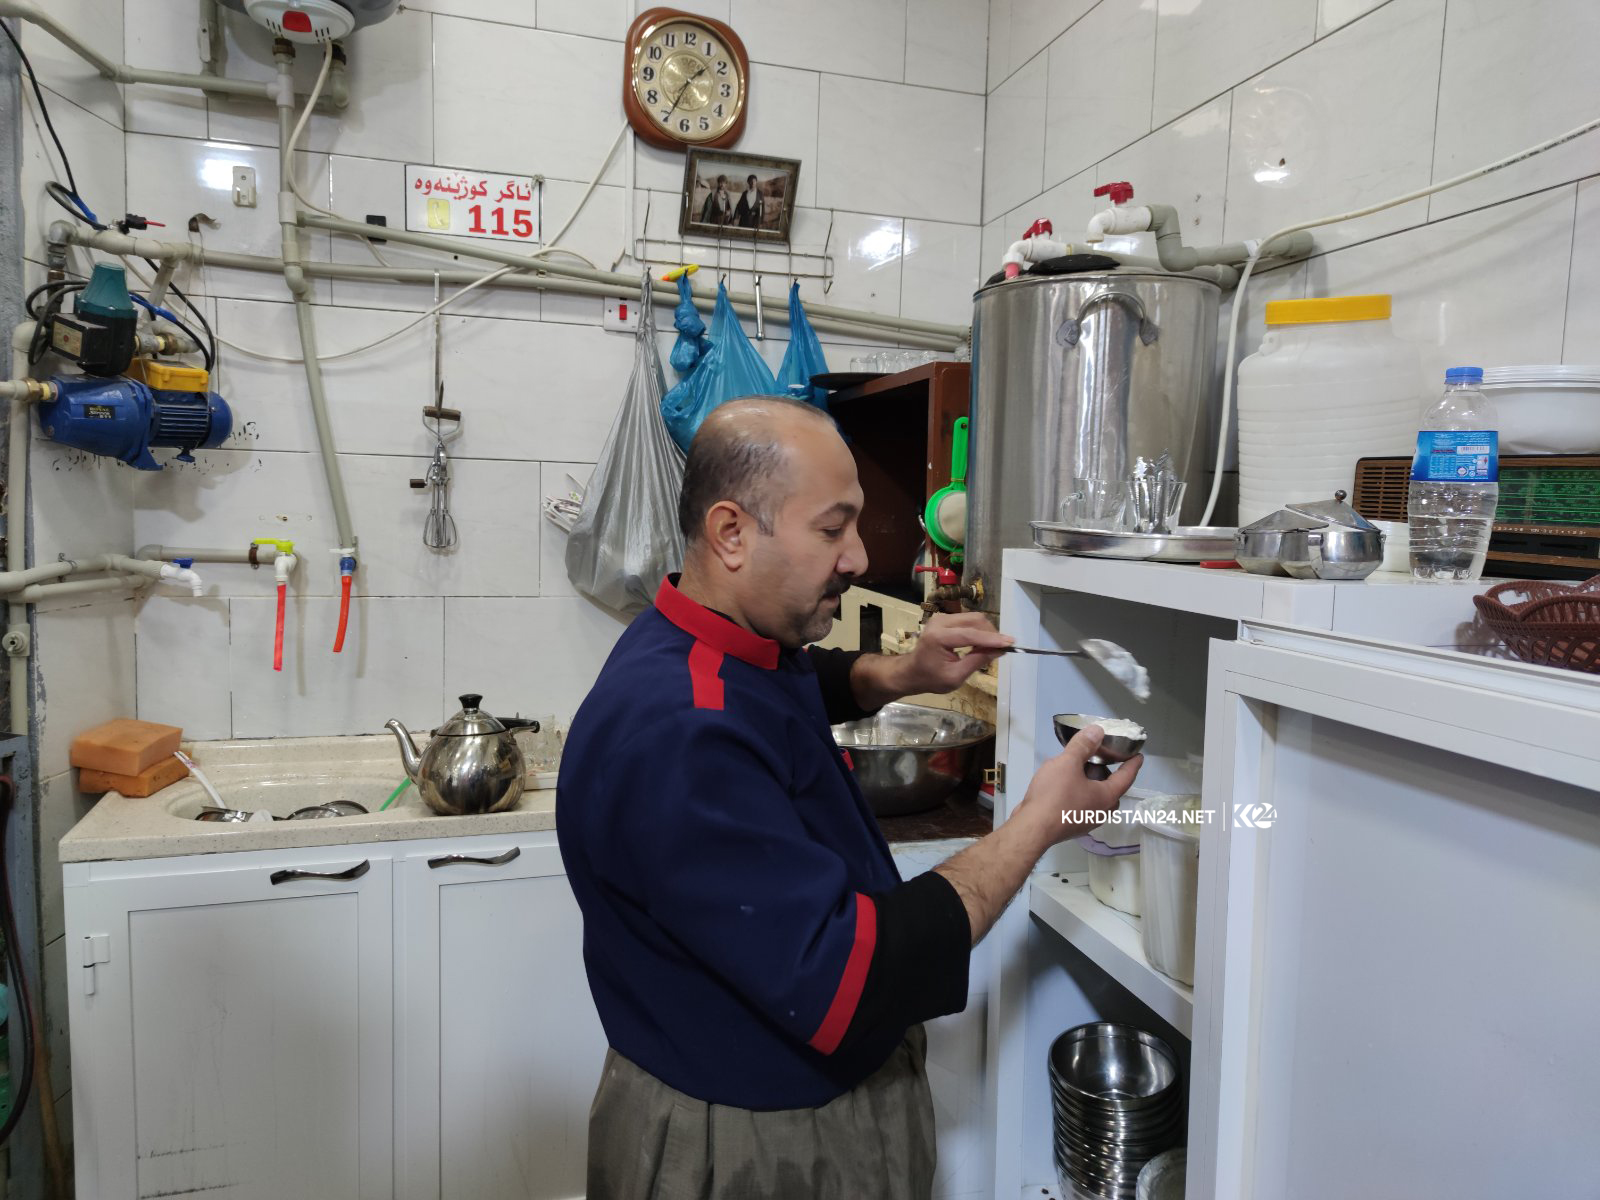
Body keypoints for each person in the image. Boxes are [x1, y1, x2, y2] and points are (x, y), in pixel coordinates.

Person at [558, 397, 1142, 1200]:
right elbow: (853, 981)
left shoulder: (715, 638)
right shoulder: (680, 734)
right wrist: (1041, 820)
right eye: (832, 530)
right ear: (732, 534)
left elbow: (790, 686)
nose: (860, 556)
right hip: (751, 1144)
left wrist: (898, 673)